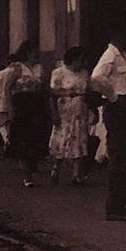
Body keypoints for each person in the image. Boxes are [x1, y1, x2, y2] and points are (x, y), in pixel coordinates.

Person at [90, 22, 126, 219]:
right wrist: (113, 97)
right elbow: (96, 78)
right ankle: (114, 207)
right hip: (118, 107)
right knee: (118, 156)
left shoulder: (121, 54)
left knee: (125, 157)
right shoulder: (110, 55)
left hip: (125, 106)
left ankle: (120, 205)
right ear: (118, 34)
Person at [6, 41, 48, 188]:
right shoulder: (17, 68)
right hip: (22, 105)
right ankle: (26, 175)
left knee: (35, 139)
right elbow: (8, 88)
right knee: (23, 140)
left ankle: (32, 164)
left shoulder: (39, 69)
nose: (36, 55)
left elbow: (43, 88)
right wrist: (10, 108)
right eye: (33, 52)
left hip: (36, 105)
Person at [48, 46, 89, 185]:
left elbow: (88, 91)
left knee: (79, 139)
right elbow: (52, 93)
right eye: (80, 59)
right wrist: (55, 112)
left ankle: (76, 173)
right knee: (62, 139)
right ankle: (56, 168)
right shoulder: (59, 73)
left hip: (80, 110)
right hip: (64, 109)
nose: (82, 63)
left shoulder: (84, 73)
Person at [0, 52, 18, 148]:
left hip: (2, 101)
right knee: (11, 123)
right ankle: (10, 140)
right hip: (14, 101)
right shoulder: (17, 73)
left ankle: (6, 140)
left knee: (2, 124)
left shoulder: (1, 74)